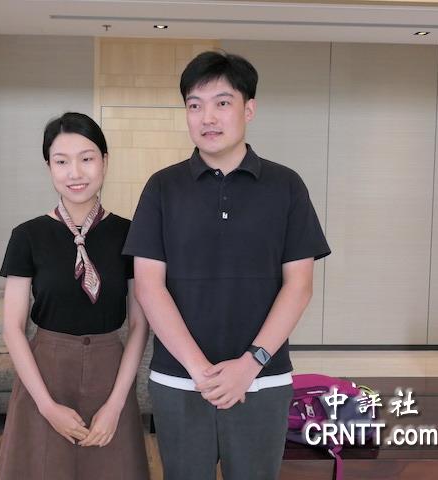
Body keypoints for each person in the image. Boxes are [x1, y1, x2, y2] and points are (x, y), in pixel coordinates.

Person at [123, 51, 331, 480]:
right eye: (194, 105)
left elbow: (299, 285)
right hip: (180, 381)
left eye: (222, 102)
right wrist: (200, 371)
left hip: (263, 379)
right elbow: (148, 286)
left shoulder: (286, 185)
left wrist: (250, 364)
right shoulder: (162, 187)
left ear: (248, 109)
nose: (207, 117)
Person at [0, 112, 150, 480]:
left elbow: (140, 325)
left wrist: (116, 404)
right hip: (45, 375)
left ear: (105, 161)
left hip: (111, 374)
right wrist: (47, 406)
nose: (75, 173)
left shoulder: (131, 234)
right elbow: (12, 329)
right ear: (48, 166)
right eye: (61, 161)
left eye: (87, 158)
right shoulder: (27, 236)